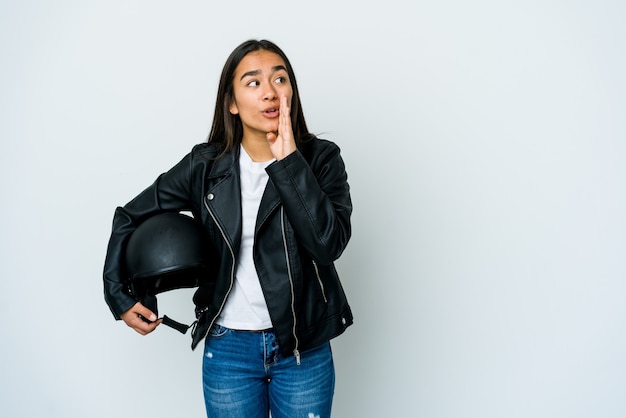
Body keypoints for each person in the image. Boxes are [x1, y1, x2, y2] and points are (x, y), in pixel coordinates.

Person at [103, 39, 353, 418]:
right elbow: (129, 215)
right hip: (229, 348)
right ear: (232, 103)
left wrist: (287, 161)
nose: (270, 92)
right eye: (253, 82)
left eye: (280, 79)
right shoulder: (205, 166)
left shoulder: (321, 160)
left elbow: (327, 244)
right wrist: (120, 297)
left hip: (303, 348)